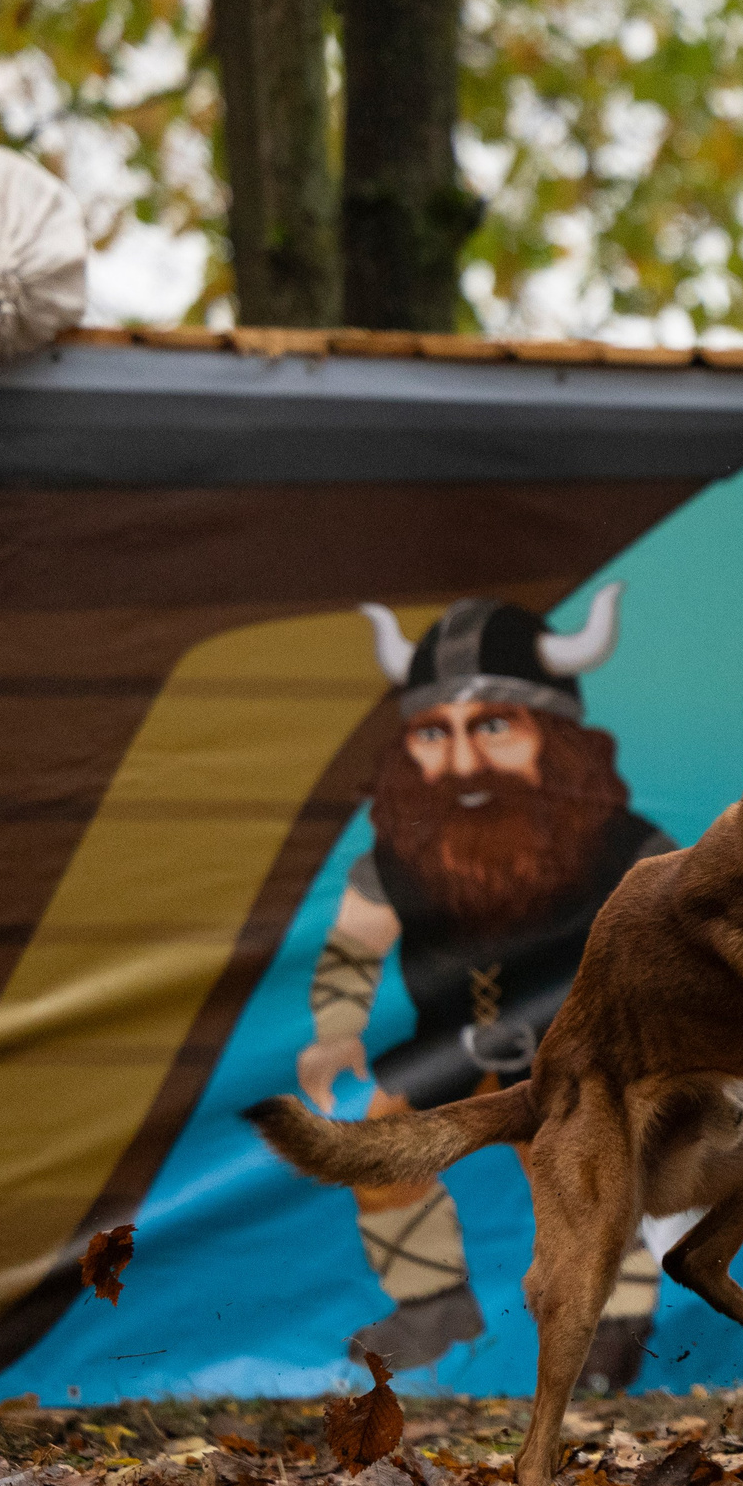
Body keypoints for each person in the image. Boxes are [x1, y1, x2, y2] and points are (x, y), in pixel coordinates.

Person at [294, 588, 675, 1391]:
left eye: (494, 725)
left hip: (579, 1063)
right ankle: (433, 1304)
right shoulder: (397, 855)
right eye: (435, 732)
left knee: (593, 1181)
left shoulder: (627, 848)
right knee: (379, 1148)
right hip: (448, 1048)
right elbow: (352, 951)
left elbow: (685, 933)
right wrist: (335, 1030)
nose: (462, 761)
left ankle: (615, 1321)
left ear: (557, 739)